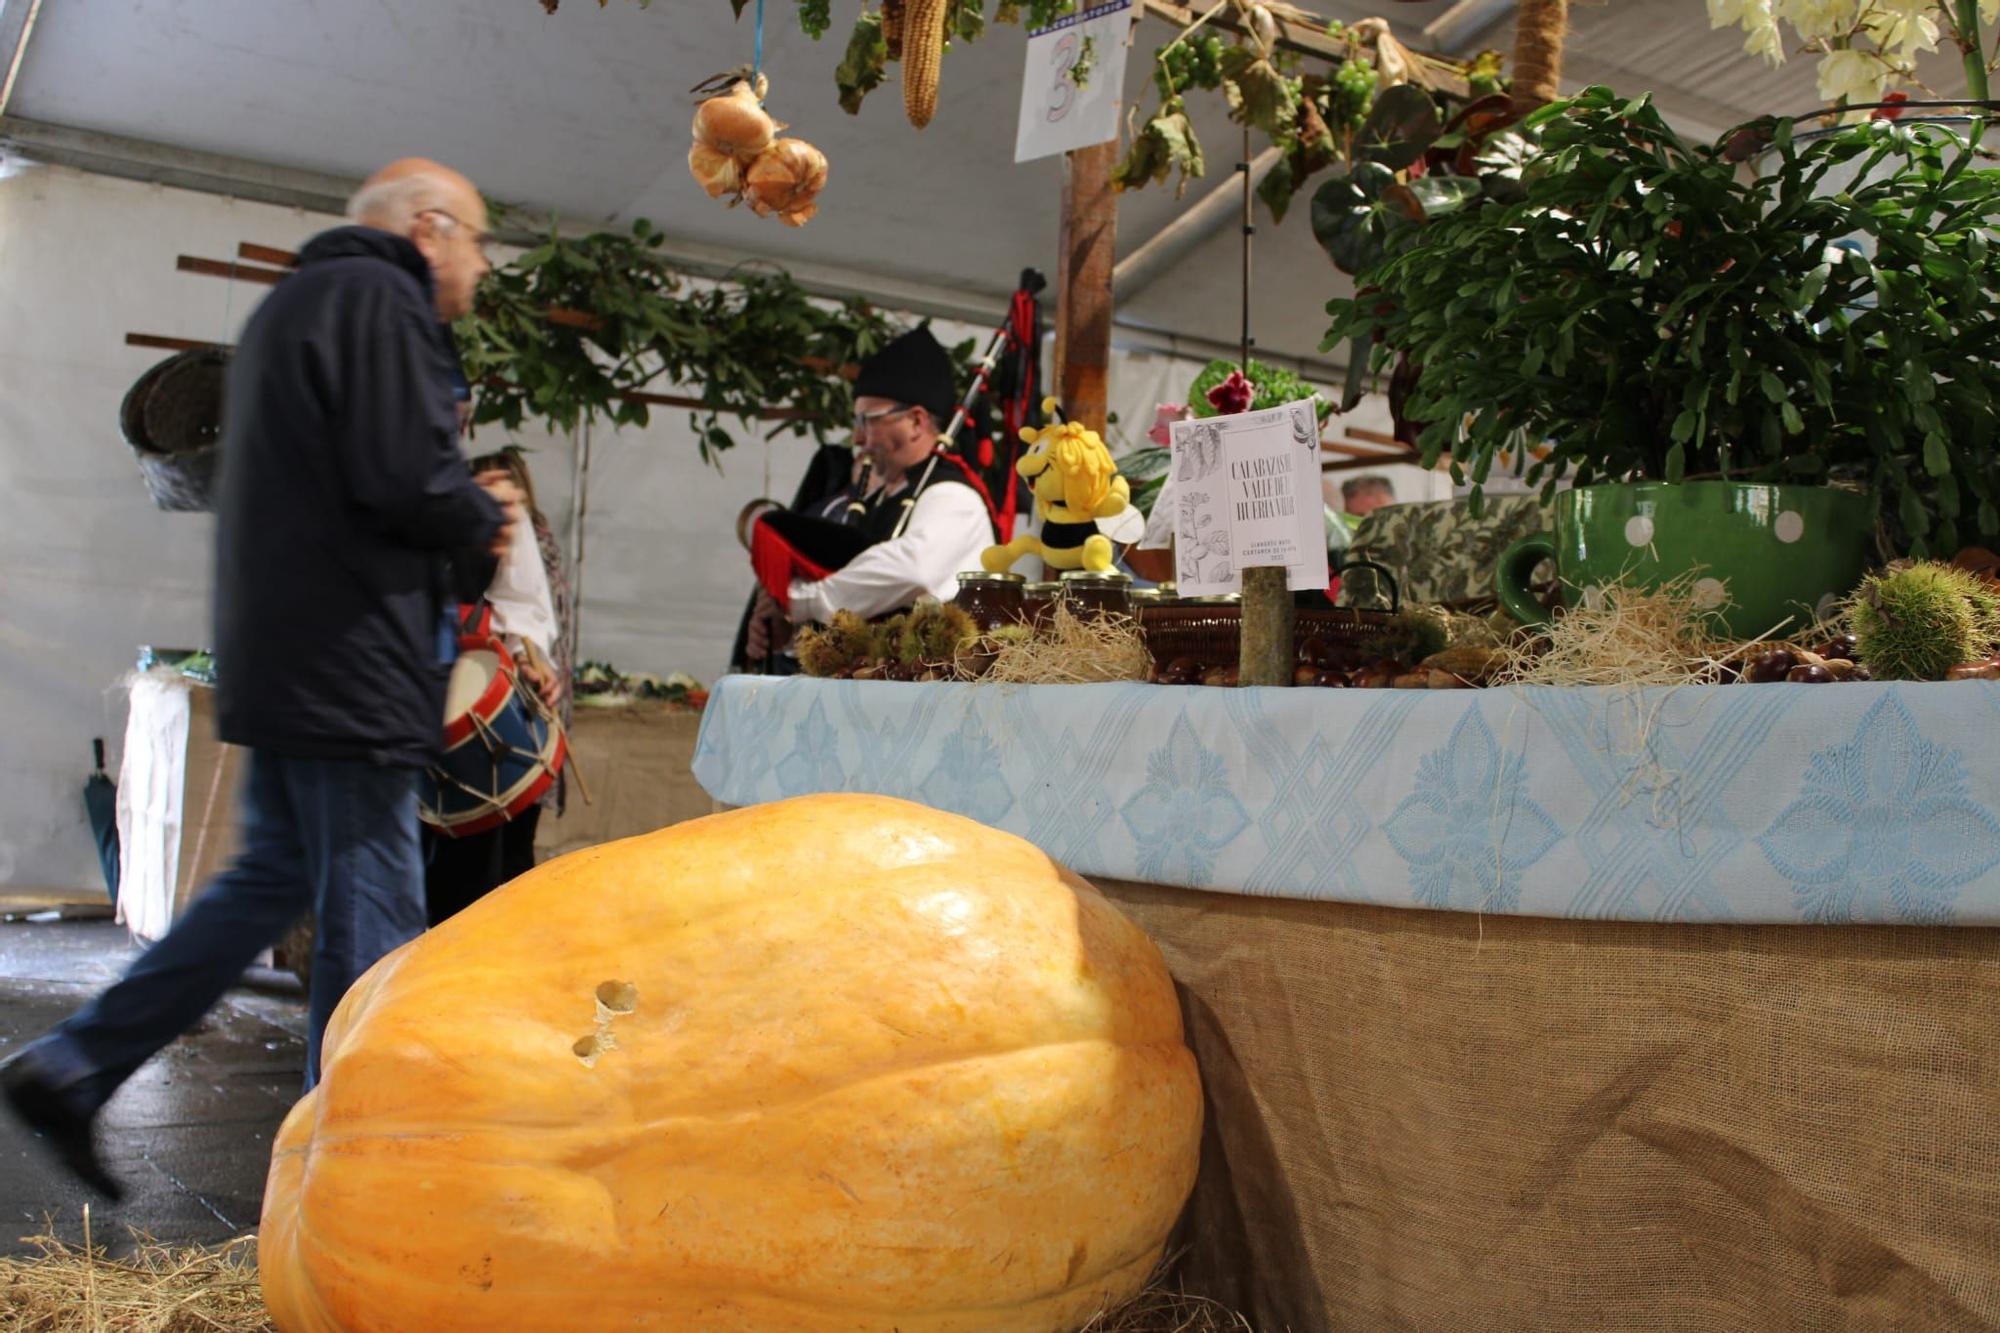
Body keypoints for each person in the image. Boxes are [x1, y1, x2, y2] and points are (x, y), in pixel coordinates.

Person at [0, 157, 514, 1200]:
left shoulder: (291, 311)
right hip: (354, 666)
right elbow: (402, 480)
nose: (482, 263)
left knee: (268, 884)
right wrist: (480, 513)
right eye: (475, 238)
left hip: (290, 657)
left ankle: (76, 1064)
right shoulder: (382, 302)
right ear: (427, 228)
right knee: (375, 917)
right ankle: (366, 1173)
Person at [746, 327, 997, 660]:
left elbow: (911, 568)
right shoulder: (885, 499)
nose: (858, 439)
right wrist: (788, 632)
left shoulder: (952, 497)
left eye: (868, 421)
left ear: (916, 422)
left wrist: (803, 601)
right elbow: (866, 609)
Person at [424, 448, 567, 925]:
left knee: (495, 877)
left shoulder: (497, 513)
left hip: (486, 723)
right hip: (414, 722)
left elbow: (526, 607)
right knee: (450, 886)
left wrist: (533, 660)